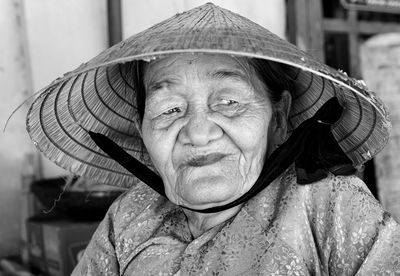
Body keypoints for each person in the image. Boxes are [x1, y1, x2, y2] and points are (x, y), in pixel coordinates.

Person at [26, 3, 400, 275]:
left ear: (280, 118)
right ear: (142, 130)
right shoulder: (128, 218)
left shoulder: (330, 205)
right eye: (170, 109)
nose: (199, 132)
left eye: (229, 102)